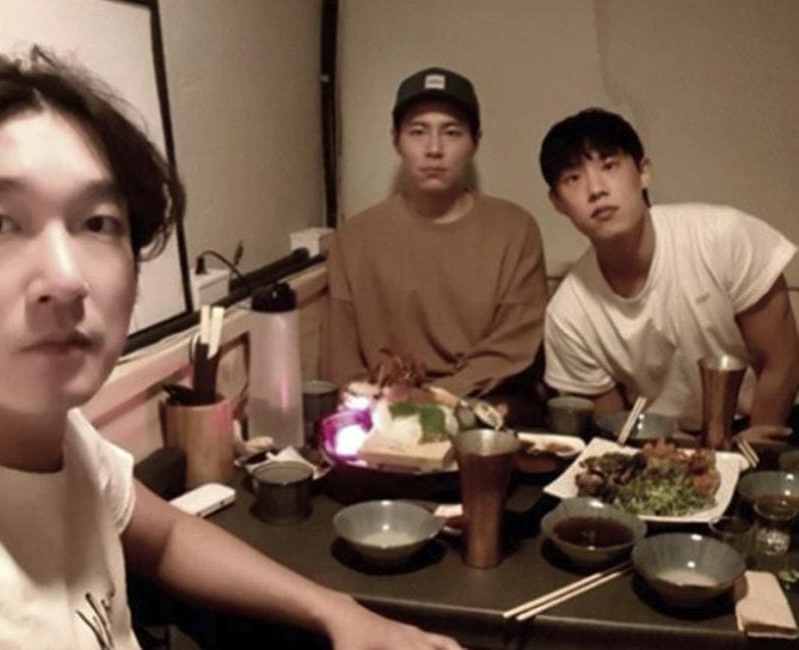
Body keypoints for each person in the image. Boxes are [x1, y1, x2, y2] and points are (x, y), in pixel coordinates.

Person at [0, 54, 462, 650]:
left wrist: (339, 613)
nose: (66, 278)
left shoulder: (52, 433)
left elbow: (165, 536)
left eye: (97, 222)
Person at [539, 107, 799, 440]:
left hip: (755, 425)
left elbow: (782, 359)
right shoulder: (568, 314)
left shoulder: (723, 237)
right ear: (557, 202)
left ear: (643, 171)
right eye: (573, 178)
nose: (596, 189)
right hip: (657, 442)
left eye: (609, 166)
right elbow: (613, 423)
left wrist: (755, 447)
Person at [323, 67, 547, 419]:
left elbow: (513, 346)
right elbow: (341, 363)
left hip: (480, 407)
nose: (434, 149)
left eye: (452, 132)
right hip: (383, 412)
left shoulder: (515, 229)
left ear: (475, 141)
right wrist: (378, 407)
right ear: (396, 141)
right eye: (418, 132)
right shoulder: (354, 238)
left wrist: (438, 398)